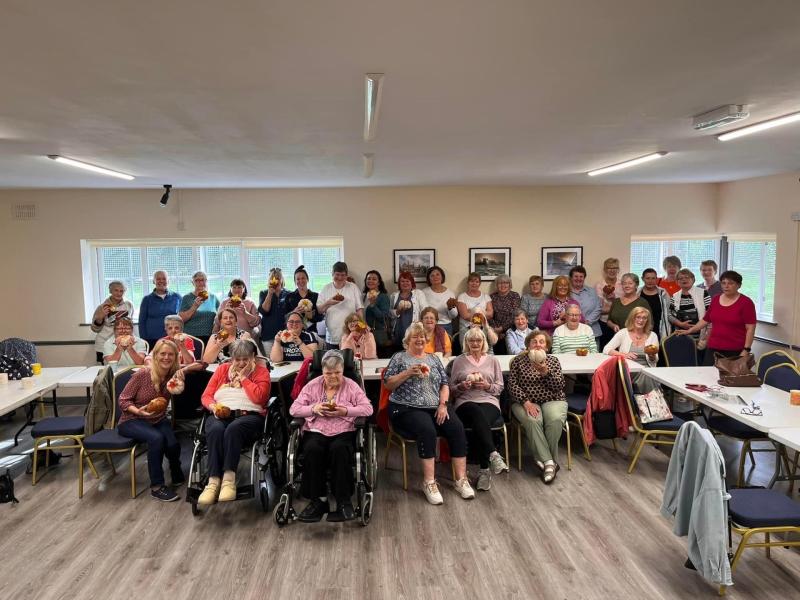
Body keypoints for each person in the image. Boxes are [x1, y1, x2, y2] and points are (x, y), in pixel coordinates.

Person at [384, 322, 475, 504]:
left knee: (456, 426)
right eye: (415, 337)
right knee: (427, 429)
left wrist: (443, 404)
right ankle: (429, 482)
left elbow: (444, 384)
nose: (420, 339)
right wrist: (407, 373)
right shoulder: (399, 358)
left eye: (423, 337)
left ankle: (461, 479)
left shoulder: (433, 359)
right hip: (405, 407)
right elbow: (388, 384)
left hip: (434, 405)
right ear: (407, 341)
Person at [289, 350, 374, 521]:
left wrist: (345, 411)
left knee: (339, 450)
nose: (333, 376)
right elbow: (294, 409)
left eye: (337, 372)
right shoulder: (312, 385)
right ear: (322, 372)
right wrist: (314, 408)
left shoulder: (351, 385)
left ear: (343, 370)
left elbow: (368, 408)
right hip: (317, 430)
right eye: (328, 373)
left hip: (343, 430)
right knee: (312, 450)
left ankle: (343, 502)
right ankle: (319, 501)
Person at [197, 339, 271, 505]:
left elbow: (260, 398)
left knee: (233, 429)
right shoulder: (222, 369)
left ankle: (229, 480)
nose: (241, 363)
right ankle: (213, 482)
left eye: (246, 358)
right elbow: (206, 395)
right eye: (237, 359)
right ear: (231, 359)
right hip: (221, 412)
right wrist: (214, 407)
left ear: (253, 357)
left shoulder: (261, 372)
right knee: (215, 429)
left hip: (249, 416)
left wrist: (244, 379)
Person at [117, 339, 184, 502]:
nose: (166, 358)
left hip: (157, 419)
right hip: (132, 419)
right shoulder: (143, 374)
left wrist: (183, 375)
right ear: (155, 356)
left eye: (170, 354)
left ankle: (176, 471)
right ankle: (157, 486)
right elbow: (123, 400)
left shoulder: (173, 375)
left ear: (175, 357)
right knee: (157, 438)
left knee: (173, 444)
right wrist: (138, 411)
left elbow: (200, 365)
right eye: (162, 354)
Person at [449, 328, 508, 491]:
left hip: (489, 400)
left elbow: (500, 387)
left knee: (481, 419)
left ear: (484, 342)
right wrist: (462, 385)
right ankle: (490, 459)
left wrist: (487, 386)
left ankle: (486, 468)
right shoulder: (459, 361)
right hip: (465, 401)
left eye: (478, 340)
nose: (475, 343)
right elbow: (452, 389)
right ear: (466, 343)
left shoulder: (493, 360)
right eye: (471, 341)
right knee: (476, 413)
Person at [508, 331, 567, 484]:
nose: (538, 344)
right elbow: (512, 385)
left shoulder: (553, 361)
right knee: (533, 420)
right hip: (525, 401)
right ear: (528, 345)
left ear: (547, 347)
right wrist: (525, 402)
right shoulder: (518, 361)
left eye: (542, 342)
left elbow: (559, 386)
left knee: (554, 419)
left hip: (553, 399)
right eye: (534, 341)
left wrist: (546, 373)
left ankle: (543, 460)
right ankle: (550, 463)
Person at [677, 271, 756, 366]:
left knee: (728, 380)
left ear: (738, 285)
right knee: (707, 377)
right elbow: (705, 320)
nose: (726, 286)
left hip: (735, 350)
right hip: (713, 348)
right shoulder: (715, 299)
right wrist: (690, 330)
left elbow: (750, 328)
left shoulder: (746, 303)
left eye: (730, 283)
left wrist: (746, 350)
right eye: (723, 283)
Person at [603, 307, 660, 392]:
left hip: (647, 369)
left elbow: (655, 359)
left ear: (647, 321)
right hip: (629, 370)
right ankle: (653, 401)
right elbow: (606, 349)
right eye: (638, 317)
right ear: (632, 318)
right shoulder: (623, 332)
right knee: (648, 376)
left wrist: (652, 356)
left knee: (648, 375)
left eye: (644, 318)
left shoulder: (653, 335)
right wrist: (624, 355)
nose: (641, 320)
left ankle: (646, 402)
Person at [318, 261, 364, 349]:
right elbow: (320, 310)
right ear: (332, 274)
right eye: (337, 274)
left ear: (347, 275)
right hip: (332, 335)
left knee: (351, 360)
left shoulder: (353, 287)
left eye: (343, 275)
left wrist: (361, 327)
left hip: (351, 334)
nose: (340, 277)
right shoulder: (326, 288)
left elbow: (359, 309)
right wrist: (329, 302)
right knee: (332, 361)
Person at [91, 280, 134, 364]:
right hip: (103, 343)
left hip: (122, 344)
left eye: (121, 291)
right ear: (110, 291)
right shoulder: (102, 307)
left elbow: (130, 324)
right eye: (116, 290)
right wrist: (101, 317)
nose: (119, 293)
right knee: (104, 371)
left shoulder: (128, 305)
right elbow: (94, 328)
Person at [138, 271, 181, 350]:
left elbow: (181, 318)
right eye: (158, 279)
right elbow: (142, 321)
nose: (161, 281)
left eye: (164, 279)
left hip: (173, 338)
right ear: (153, 281)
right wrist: (144, 340)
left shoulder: (177, 297)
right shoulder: (146, 299)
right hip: (152, 339)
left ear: (168, 281)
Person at [668, 268, 710, 348]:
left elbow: (710, 314)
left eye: (687, 277)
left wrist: (706, 338)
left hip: (701, 337)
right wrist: (680, 324)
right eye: (680, 278)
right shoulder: (674, 296)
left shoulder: (703, 293)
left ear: (693, 279)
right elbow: (670, 315)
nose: (684, 279)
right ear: (677, 282)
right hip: (681, 336)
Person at [178, 271, 219, 346]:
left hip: (210, 337)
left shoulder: (213, 297)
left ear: (206, 281)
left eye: (202, 280)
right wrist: (194, 307)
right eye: (197, 280)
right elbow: (181, 319)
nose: (200, 282)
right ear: (192, 282)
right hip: (191, 337)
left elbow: (219, 317)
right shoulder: (187, 298)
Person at [390, 271, 426, 349]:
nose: (405, 283)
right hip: (398, 330)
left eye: (407, 281)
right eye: (402, 281)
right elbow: (389, 313)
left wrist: (421, 323)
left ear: (412, 283)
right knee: (398, 355)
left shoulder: (418, 294)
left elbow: (425, 311)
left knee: (413, 353)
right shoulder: (394, 296)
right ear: (399, 283)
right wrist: (397, 311)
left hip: (414, 331)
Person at [259, 267, 290, 355]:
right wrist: (270, 294)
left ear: (281, 280)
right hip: (268, 334)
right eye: (272, 278)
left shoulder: (289, 294)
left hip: (285, 334)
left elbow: (291, 314)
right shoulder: (264, 293)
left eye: (277, 278)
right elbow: (264, 311)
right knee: (271, 362)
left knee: (286, 360)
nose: (275, 280)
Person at [594, 257, 623, 348]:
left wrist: (614, 300)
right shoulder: (599, 286)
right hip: (604, 322)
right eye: (609, 268)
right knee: (605, 349)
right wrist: (617, 306)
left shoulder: (622, 284)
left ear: (618, 270)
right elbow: (598, 309)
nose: (612, 270)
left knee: (621, 350)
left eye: (615, 268)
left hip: (621, 322)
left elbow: (627, 305)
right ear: (605, 270)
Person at [489, 275, 521, 355]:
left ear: (510, 285)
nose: (503, 285)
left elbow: (514, 314)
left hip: (511, 329)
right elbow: (490, 315)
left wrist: (502, 329)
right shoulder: (492, 297)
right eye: (500, 283)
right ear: (496, 285)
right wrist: (496, 330)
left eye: (505, 283)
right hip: (494, 330)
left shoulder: (515, 296)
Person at [422, 266, 458, 335]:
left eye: (438, 274)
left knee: (445, 346)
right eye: (432, 275)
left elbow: (454, 316)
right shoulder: (423, 293)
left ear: (442, 276)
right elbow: (421, 312)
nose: (435, 277)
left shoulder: (449, 293)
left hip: (446, 326)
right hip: (428, 326)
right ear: (429, 279)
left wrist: (450, 308)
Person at [569, 266, 602, 341]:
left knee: (594, 352)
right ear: (571, 278)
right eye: (576, 276)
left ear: (584, 278)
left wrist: (587, 321)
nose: (578, 279)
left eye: (581, 276)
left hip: (593, 331)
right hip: (572, 333)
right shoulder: (566, 292)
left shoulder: (592, 291)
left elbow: (598, 308)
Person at [457, 272, 494, 339]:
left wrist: (471, 312)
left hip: (482, 328)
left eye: (477, 281)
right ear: (468, 283)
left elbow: (490, 314)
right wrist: (483, 312)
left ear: (479, 283)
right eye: (471, 281)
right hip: (466, 328)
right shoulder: (462, 297)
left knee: (483, 348)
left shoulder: (486, 296)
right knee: (466, 349)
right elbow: (465, 316)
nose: (474, 284)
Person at [639, 268, 672, 340]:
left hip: (659, 329)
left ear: (656, 279)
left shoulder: (663, 293)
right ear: (642, 279)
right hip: (640, 329)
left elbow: (670, 312)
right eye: (647, 278)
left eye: (653, 278)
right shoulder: (638, 293)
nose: (650, 281)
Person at [284, 265, 320, 331]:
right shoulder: (289, 297)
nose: (301, 281)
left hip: (311, 331)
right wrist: (293, 312)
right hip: (294, 331)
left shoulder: (316, 296)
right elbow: (284, 317)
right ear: (295, 281)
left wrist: (312, 316)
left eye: (303, 278)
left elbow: (321, 316)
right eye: (298, 279)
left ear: (307, 279)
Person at [362, 269, 392, 340]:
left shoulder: (383, 297)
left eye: (374, 279)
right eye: (368, 279)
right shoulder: (363, 296)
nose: (371, 281)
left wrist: (373, 305)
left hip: (376, 333)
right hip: (364, 332)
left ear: (379, 283)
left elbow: (384, 317)